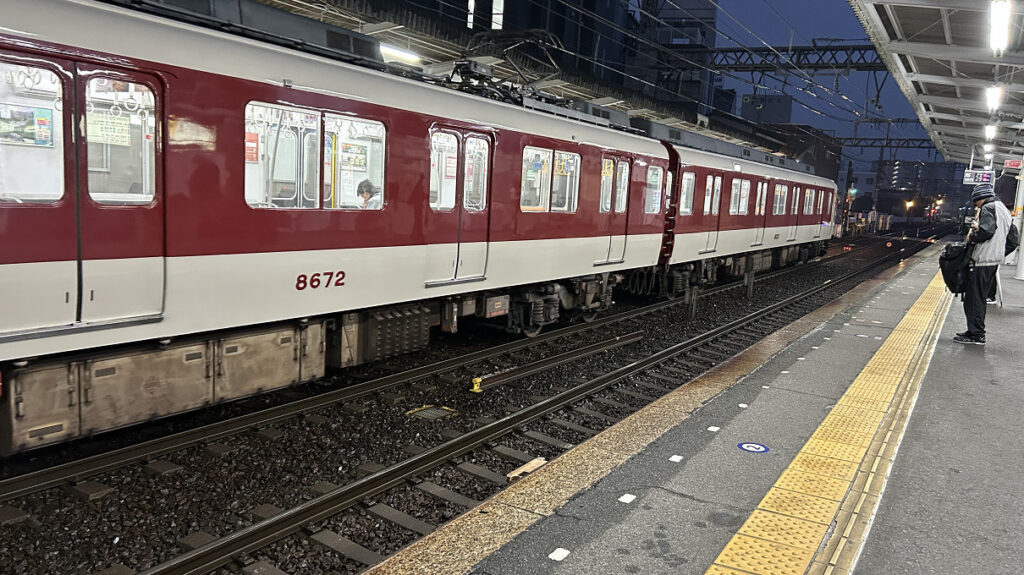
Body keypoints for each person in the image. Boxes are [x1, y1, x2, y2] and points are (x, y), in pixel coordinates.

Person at [955, 183, 1013, 344]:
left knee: (974, 299)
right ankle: (975, 331)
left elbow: (986, 231)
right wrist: (998, 252)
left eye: (976, 202)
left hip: (982, 260)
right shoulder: (1003, 209)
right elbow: (1013, 239)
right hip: (992, 260)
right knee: (979, 297)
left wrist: (972, 236)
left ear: (981, 198)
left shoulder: (988, 208)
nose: (976, 206)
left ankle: (976, 334)